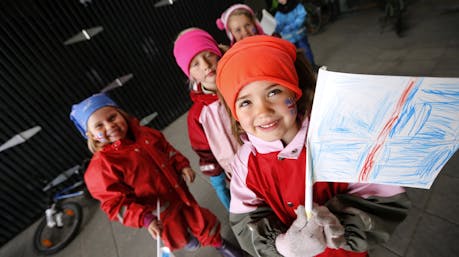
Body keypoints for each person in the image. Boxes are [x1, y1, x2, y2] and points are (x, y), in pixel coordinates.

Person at [216, 35, 410, 257]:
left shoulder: (335, 137)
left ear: (294, 91)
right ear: (235, 115)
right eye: (246, 102)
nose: (263, 111)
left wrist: (340, 225)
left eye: (273, 92)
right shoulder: (245, 163)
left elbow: (379, 197)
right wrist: (281, 245)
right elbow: (246, 221)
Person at [69, 93, 243, 257]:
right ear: (90, 135)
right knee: (177, 234)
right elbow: (115, 205)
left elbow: (167, 150)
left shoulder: (145, 134)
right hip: (158, 212)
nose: (109, 126)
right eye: (99, 126)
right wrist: (144, 218)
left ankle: (219, 243)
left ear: (121, 114)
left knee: (200, 220)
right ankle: (187, 239)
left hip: (179, 193)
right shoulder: (101, 168)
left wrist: (182, 166)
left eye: (112, 117)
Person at [173, 28, 240, 210]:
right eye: (195, 64)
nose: (205, 65)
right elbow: (203, 149)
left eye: (208, 55)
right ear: (190, 75)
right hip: (238, 173)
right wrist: (216, 174)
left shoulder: (240, 82)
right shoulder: (198, 115)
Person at [274, 0, 317, 67]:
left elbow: (302, 15)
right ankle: (303, 71)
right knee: (295, 56)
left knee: (306, 51)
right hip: (289, 39)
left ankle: (312, 67)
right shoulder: (279, 12)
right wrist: (276, 26)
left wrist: (293, 25)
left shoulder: (296, 5)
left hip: (300, 35)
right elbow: (278, 26)